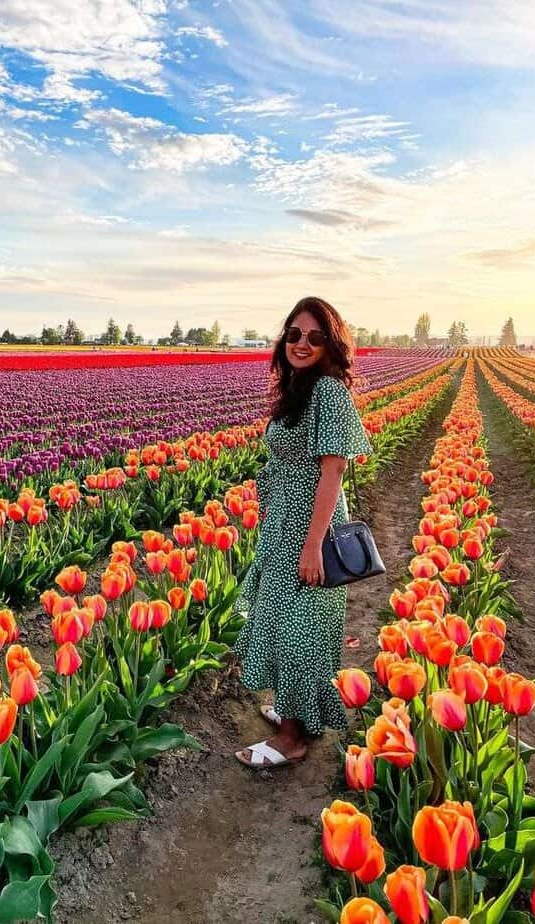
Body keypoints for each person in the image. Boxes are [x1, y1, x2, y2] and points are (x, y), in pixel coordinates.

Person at [234, 296, 372, 769]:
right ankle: (298, 714)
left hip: (312, 525)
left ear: (330, 344)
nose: (302, 343)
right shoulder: (298, 389)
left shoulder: (330, 393)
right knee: (280, 620)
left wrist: (313, 545)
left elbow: (332, 471)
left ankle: (292, 739)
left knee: (301, 629)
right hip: (283, 523)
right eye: (294, 334)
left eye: (315, 337)